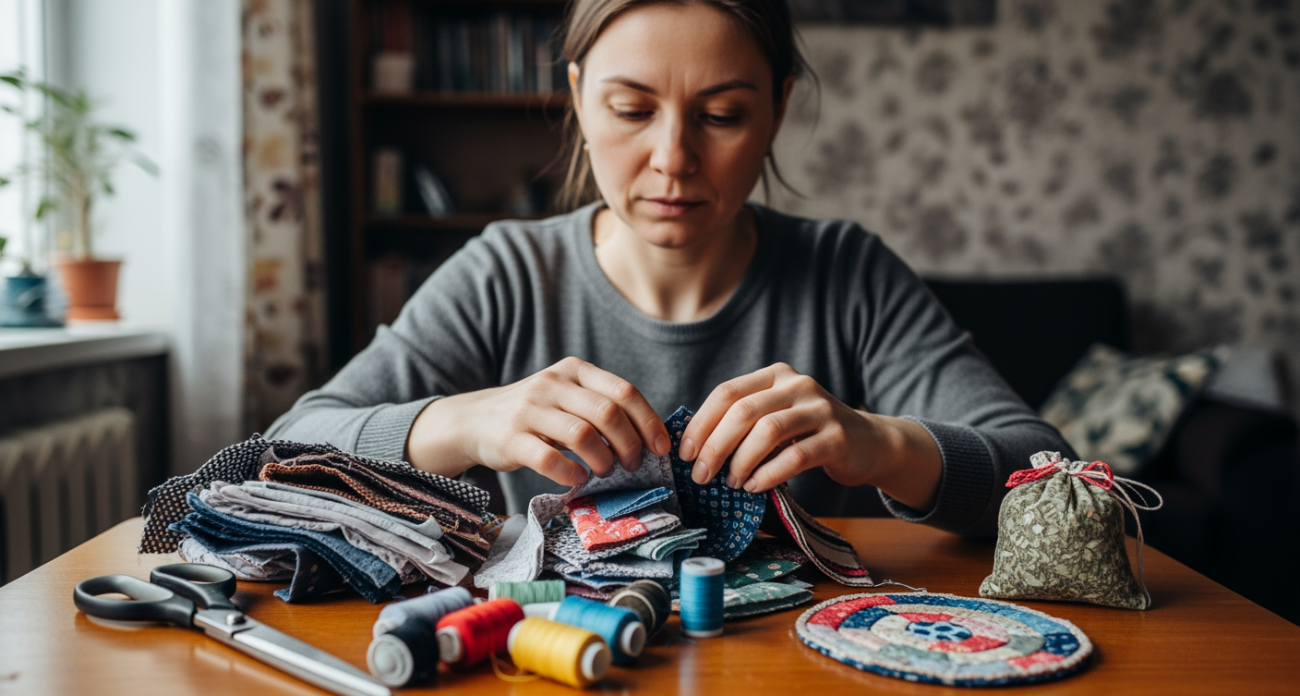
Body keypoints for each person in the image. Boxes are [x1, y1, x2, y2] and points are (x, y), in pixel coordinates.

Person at [267, 0, 1072, 535]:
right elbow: (284, 451)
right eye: (631, 110)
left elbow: (1047, 473)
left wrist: (880, 444)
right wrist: (468, 421)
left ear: (778, 110)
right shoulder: (505, 275)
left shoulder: (845, 273)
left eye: (722, 115)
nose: (674, 160)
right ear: (579, 100)